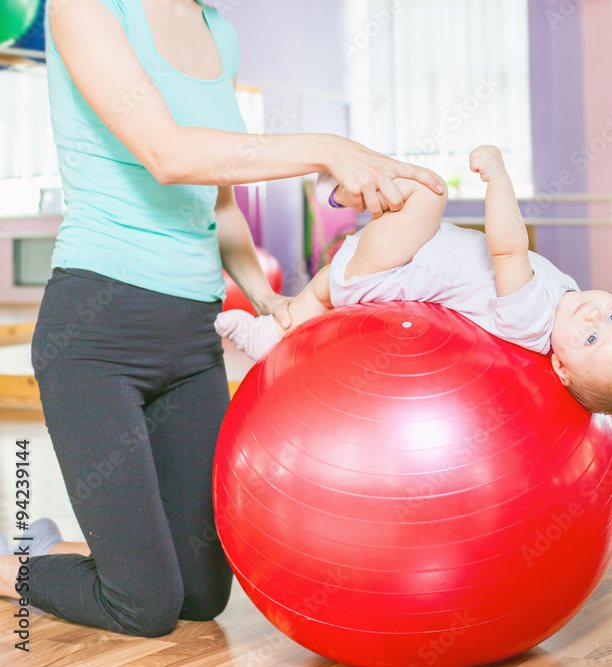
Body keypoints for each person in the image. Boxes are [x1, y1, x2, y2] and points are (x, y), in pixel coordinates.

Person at [0, 0, 445, 638]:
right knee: (145, 606)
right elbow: (169, 154)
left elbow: (220, 203)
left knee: (202, 595)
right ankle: (13, 562)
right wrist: (327, 148)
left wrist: (272, 303)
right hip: (94, 341)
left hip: (190, 346)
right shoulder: (86, 7)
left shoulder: (220, 35)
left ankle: (76, 552)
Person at [215, 145, 612, 415]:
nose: (595, 316)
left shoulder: (534, 318)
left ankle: (336, 194)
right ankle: (271, 333)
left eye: (590, 339)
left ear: (561, 369)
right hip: (402, 262)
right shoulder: (563, 298)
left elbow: (506, 246)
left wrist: (499, 177)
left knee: (428, 192)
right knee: (320, 291)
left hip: (398, 266)